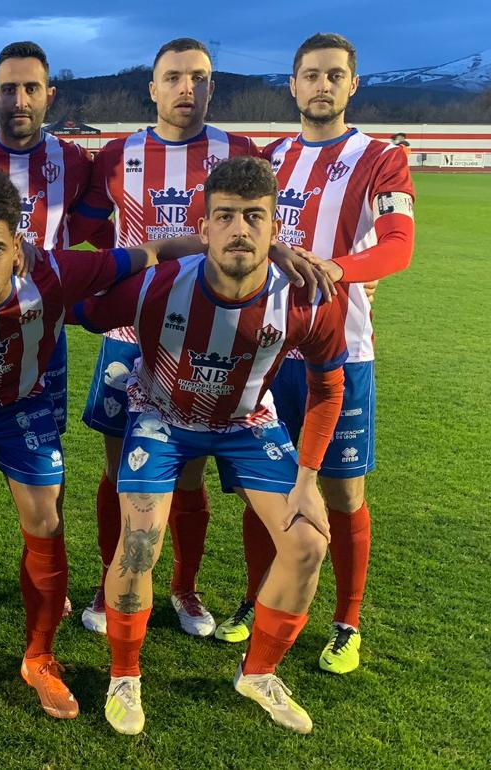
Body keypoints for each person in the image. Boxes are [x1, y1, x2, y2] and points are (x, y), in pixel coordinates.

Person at [0, 169, 202, 726]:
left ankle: (39, 657)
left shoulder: (52, 270)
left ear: (17, 244)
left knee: (45, 520)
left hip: (19, 405)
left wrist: (203, 245)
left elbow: (140, 255)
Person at [70, 155, 349, 735]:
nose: (240, 230)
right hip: (161, 416)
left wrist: (307, 479)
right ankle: (125, 675)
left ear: (277, 231)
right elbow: (75, 298)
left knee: (307, 544)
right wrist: (154, 250)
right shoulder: (155, 284)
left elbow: (328, 387)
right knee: (141, 539)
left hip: (246, 421)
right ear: (205, 226)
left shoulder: (307, 297)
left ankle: (259, 673)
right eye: (224, 216)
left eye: (255, 217)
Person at [231, 33, 416, 673]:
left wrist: (334, 268)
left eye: (335, 75)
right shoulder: (269, 156)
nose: (322, 86)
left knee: (340, 490)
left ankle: (347, 622)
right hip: (266, 349)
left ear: (352, 84)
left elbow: (398, 246)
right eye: (311, 75)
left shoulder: (379, 159)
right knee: (264, 483)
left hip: (342, 350)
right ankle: (258, 599)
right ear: (292, 84)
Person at [67, 38, 260, 639]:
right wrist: (129, 273)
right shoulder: (119, 153)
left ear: (212, 86)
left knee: (190, 470)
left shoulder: (238, 151)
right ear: (151, 88)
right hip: (130, 336)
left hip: (209, 342)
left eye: (199, 77)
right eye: (173, 77)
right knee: (118, 467)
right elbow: (90, 232)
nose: (186, 88)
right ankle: (109, 577)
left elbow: (265, 223)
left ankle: (184, 586)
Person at [0, 40, 103, 617]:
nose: (20, 99)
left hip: (41, 342)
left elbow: (102, 237)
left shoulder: (77, 163)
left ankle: (43, 571)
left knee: (41, 461)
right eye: (9, 88)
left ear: (49, 95)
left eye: (31, 87)